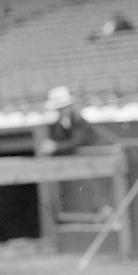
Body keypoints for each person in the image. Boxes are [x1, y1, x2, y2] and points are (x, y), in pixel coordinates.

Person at [38, 86, 119, 217]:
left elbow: (77, 142)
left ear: (69, 107)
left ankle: (106, 210)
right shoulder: (59, 124)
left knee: (102, 183)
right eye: (59, 109)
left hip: (99, 156)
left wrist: (55, 147)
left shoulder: (79, 121)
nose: (62, 111)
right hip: (88, 161)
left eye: (64, 107)